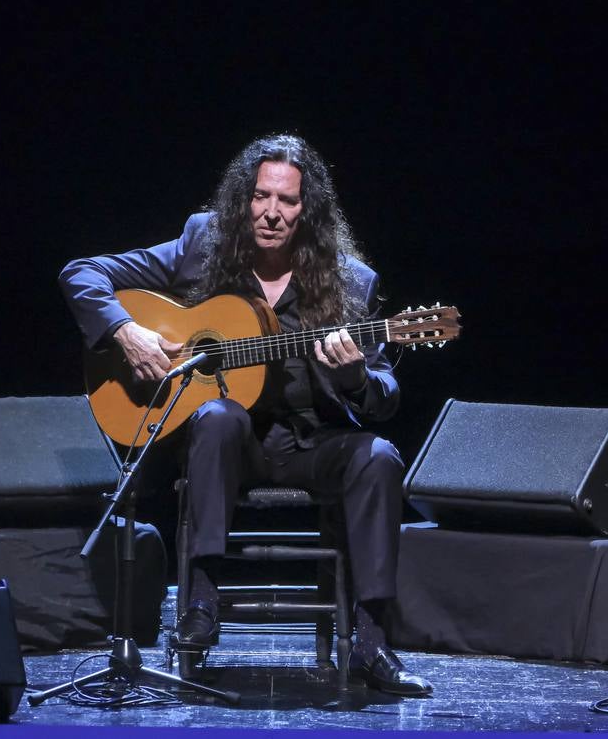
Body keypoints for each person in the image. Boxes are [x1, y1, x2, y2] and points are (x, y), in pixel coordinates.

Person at [60, 134, 431, 698]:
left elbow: (385, 397)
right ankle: (201, 606)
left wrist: (355, 376)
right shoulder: (201, 244)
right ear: (244, 198)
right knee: (216, 416)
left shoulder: (351, 281)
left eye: (287, 201)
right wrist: (124, 330)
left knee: (379, 458)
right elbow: (81, 273)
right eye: (261, 197)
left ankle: (373, 640)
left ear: (309, 211)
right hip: (230, 447)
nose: (271, 213)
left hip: (314, 446)